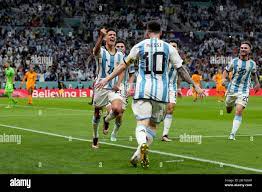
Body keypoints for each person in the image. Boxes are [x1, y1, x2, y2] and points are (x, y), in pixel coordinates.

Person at [96, 21, 204, 168]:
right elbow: (181, 69)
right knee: (152, 126)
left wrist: (107, 79)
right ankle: (139, 152)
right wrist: (195, 85)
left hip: (143, 90)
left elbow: (123, 66)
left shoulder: (140, 46)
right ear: (161, 33)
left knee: (142, 123)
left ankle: (141, 145)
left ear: (147, 32)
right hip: (162, 93)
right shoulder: (168, 47)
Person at [91, 28, 125, 148]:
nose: (112, 36)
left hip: (113, 89)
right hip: (101, 87)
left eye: (114, 35)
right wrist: (100, 36)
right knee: (97, 114)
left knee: (117, 109)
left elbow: (122, 70)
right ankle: (95, 137)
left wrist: (118, 83)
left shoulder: (120, 54)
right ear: (106, 38)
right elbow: (95, 52)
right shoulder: (101, 51)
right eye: (110, 35)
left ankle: (107, 119)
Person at [222, 41, 260, 140]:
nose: (243, 49)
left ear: (249, 50)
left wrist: (257, 83)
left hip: (244, 91)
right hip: (232, 89)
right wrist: (223, 79)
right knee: (228, 109)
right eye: (242, 48)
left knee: (238, 111)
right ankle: (229, 106)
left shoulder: (252, 64)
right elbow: (226, 71)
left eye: (245, 48)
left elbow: (253, 74)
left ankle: (232, 134)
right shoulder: (234, 61)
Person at [105, 40, 135, 142]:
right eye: (118, 46)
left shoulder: (129, 60)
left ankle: (114, 132)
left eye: (122, 46)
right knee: (115, 110)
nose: (120, 47)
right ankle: (106, 120)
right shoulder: (109, 58)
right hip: (110, 87)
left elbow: (131, 75)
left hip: (123, 88)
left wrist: (130, 87)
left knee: (120, 114)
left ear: (125, 48)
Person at [161, 40, 182, 142]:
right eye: (171, 46)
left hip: (172, 87)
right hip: (160, 85)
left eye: (175, 46)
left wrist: (178, 88)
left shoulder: (179, 60)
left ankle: (165, 134)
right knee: (157, 110)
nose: (173, 48)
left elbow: (180, 75)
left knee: (170, 108)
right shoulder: (161, 59)